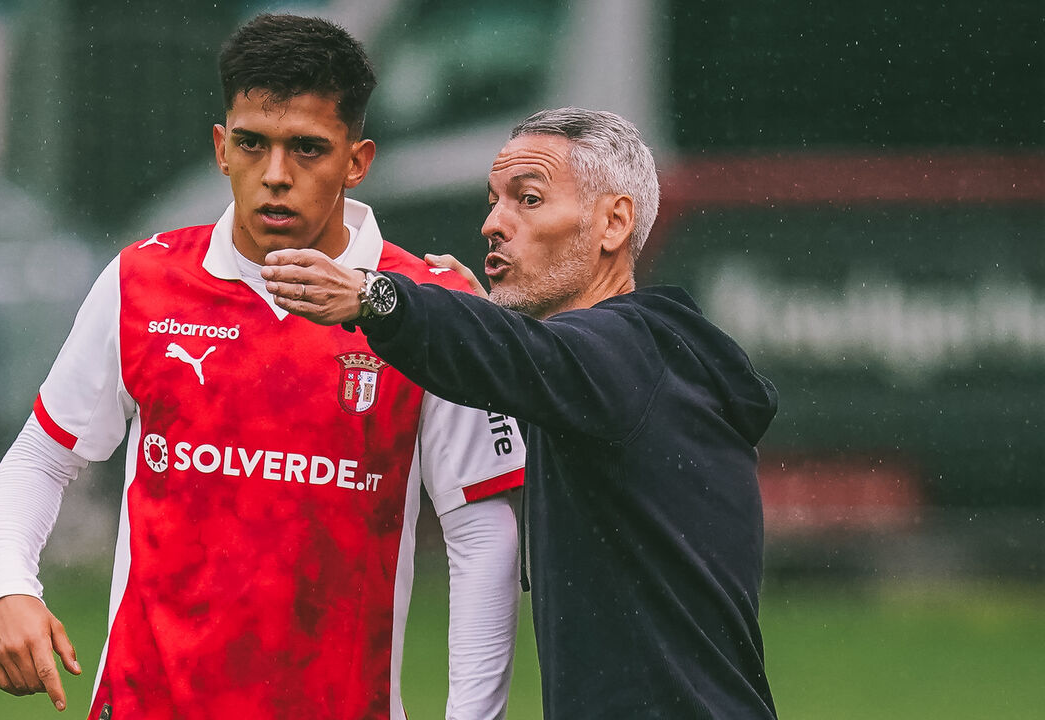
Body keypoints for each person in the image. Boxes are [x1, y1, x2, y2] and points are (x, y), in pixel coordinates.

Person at [0, 14, 525, 720]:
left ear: (356, 161)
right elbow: (42, 457)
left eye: (307, 149)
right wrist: (6, 586)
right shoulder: (142, 282)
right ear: (220, 148)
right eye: (253, 144)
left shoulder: (427, 313)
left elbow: (483, 533)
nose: (274, 176)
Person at [262, 107, 780, 719]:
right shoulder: (617, 369)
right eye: (493, 201)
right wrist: (485, 323)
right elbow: (530, 363)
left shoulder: (628, 353)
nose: (491, 224)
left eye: (528, 199)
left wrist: (375, 298)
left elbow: (526, 357)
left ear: (614, 222)